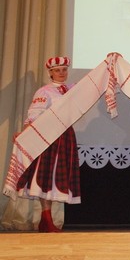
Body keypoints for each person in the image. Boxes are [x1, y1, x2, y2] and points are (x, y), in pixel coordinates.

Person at [12, 56, 80, 232]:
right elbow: (34, 115)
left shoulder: (71, 89)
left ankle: (46, 219)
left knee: (57, 177)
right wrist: (25, 133)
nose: (61, 73)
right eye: (57, 70)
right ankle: (46, 217)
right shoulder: (44, 92)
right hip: (49, 136)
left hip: (66, 136)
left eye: (64, 70)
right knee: (47, 176)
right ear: (50, 73)